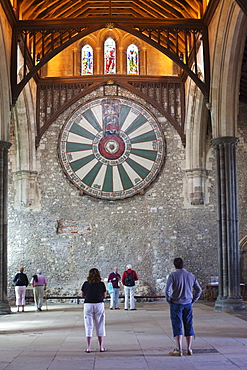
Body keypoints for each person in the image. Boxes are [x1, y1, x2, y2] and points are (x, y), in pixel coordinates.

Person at [165, 257, 202, 356]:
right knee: (189, 324)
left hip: (176, 304)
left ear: (174, 266)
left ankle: (179, 349)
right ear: (183, 265)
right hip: (188, 304)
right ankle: (189, 348)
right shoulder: (191, 276)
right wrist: (193, 300)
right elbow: (199, 290)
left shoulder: (173, 276)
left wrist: (170, 301)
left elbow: (167, 290)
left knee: (177, 325)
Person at [81, 268, 107, 353]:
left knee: (88, 325)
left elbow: (82, 295)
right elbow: (104, 295)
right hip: (99, 304)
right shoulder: (101, 284)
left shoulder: (85, 284)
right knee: (100, 325)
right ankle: (101, 347)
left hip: (88, 304)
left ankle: (88, 347)